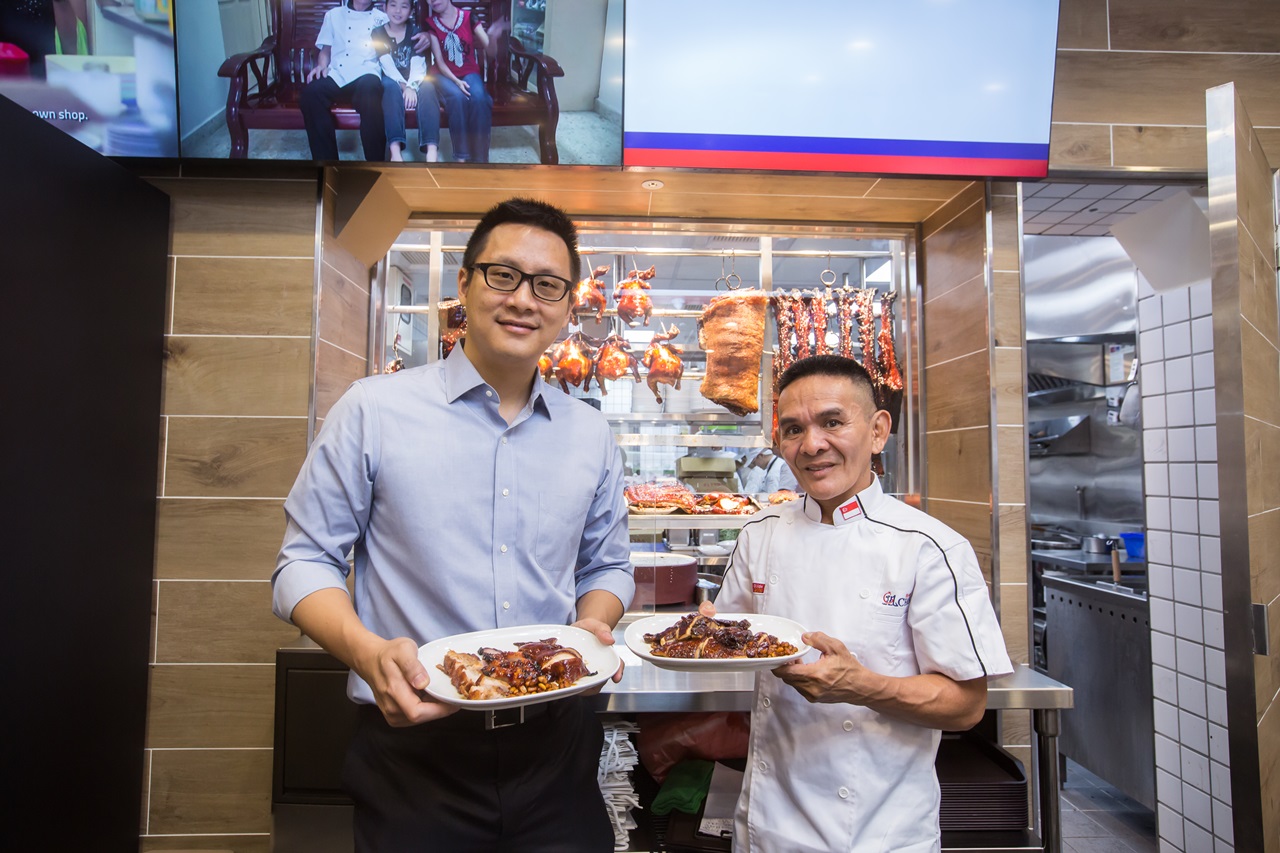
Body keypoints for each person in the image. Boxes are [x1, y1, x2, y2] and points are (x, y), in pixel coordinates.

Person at [272, 198, 634, 851]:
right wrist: (367, 652)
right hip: (417, 750)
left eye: (547, 285)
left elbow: (606, 566)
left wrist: (593, 622)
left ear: (567, 307)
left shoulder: (589, 434)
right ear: (463, 284)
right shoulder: (373, 411)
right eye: (504, 275)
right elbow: (302, 564)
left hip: (558, 746)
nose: (525, 299)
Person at [709, 354, 1013, 853]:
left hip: (878, 831)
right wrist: (702, 632)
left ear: (877, 431)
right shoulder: (758, 536)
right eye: (792, 429)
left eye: (832, 422)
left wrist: (862, 686)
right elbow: (735, 640)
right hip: (766, 822)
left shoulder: (929, 547)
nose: (812, 445)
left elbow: (966, 706)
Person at [299, 0, 388, 162]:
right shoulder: (333, 15)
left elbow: (404, 33)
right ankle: (327, 164)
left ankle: (376, 163)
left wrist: (425, 36)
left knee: (370, 91)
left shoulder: (382, 18)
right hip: (339, 73)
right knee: (311, 93)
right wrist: (321, 65)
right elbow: (326, 50)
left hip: (367, 72)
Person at [414, 0, 502, 163]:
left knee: (480, 98)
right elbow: (439, 62)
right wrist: (456, 81)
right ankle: (461, 158)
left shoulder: (469, 17)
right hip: (443, 74)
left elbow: (491, 51)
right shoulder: (431, 23)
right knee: (458, 97)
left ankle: (480, 160)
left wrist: (492, 37)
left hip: (469, 72)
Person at [372, 0, 436, 162]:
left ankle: (431, 150)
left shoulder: (415, 31)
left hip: (415, 77)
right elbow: (385, 63)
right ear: (384, 8)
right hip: (391, 77)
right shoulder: (378, 33)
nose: (398, 10)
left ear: (411, 11)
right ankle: (395, 151)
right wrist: (403, 86)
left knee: (428, 87)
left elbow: (418, 64)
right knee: (389, 88)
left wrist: (412, 86)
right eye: (393, 5)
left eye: (404, 6)